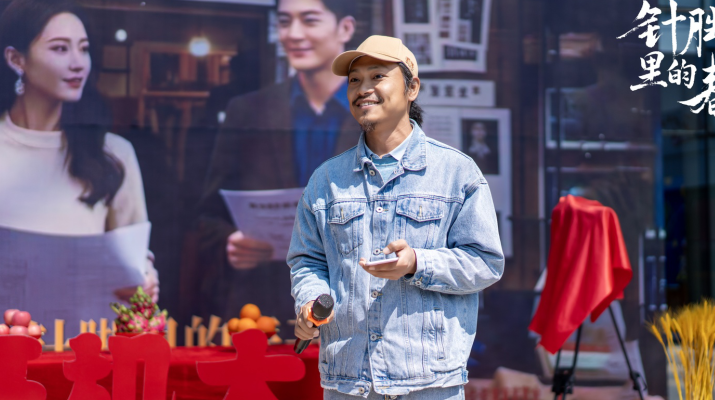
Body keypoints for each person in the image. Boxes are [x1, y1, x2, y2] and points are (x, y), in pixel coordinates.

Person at [288, 35, 504, 399]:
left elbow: (485, 262)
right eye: (354, 80)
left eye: (377, 76)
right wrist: (311, 301)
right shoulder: (326, 180)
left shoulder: (456, 172)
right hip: (348, 383)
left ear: (412, 88)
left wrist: (417, 262)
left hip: (430, 384)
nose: (363, 89)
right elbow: (307, 260)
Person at [195, 0, 359, 322]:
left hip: (356, 308)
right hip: (264, 310)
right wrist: (231, 242)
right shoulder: (248, 111)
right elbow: (208, 217)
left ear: (345, 28)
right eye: (284, 22)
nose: (293, 34)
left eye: (309, 20)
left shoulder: (381, 115)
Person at [0, 0, 158, 301]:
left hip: (85, 327)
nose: (78, 63)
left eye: (84, 49)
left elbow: (135, 257)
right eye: (60, 48)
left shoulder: (113, 154)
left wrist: (146, 278)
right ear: (16, 59)